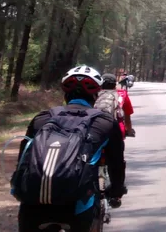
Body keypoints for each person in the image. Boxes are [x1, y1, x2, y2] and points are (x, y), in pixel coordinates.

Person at [15, 65, 126, 231]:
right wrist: (116, 191)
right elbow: (116, 163)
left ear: (65, 93)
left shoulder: (42, 118)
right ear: (96, 94)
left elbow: (23, 160)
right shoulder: (105, 122)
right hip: (77, 207)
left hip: (32, 205)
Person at [95, 74, 135, 138]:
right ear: (115, 84)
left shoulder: (94, 94)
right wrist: (129, 130)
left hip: (96, 129)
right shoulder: (122, 94)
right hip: (117, 130)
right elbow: (127, 115)